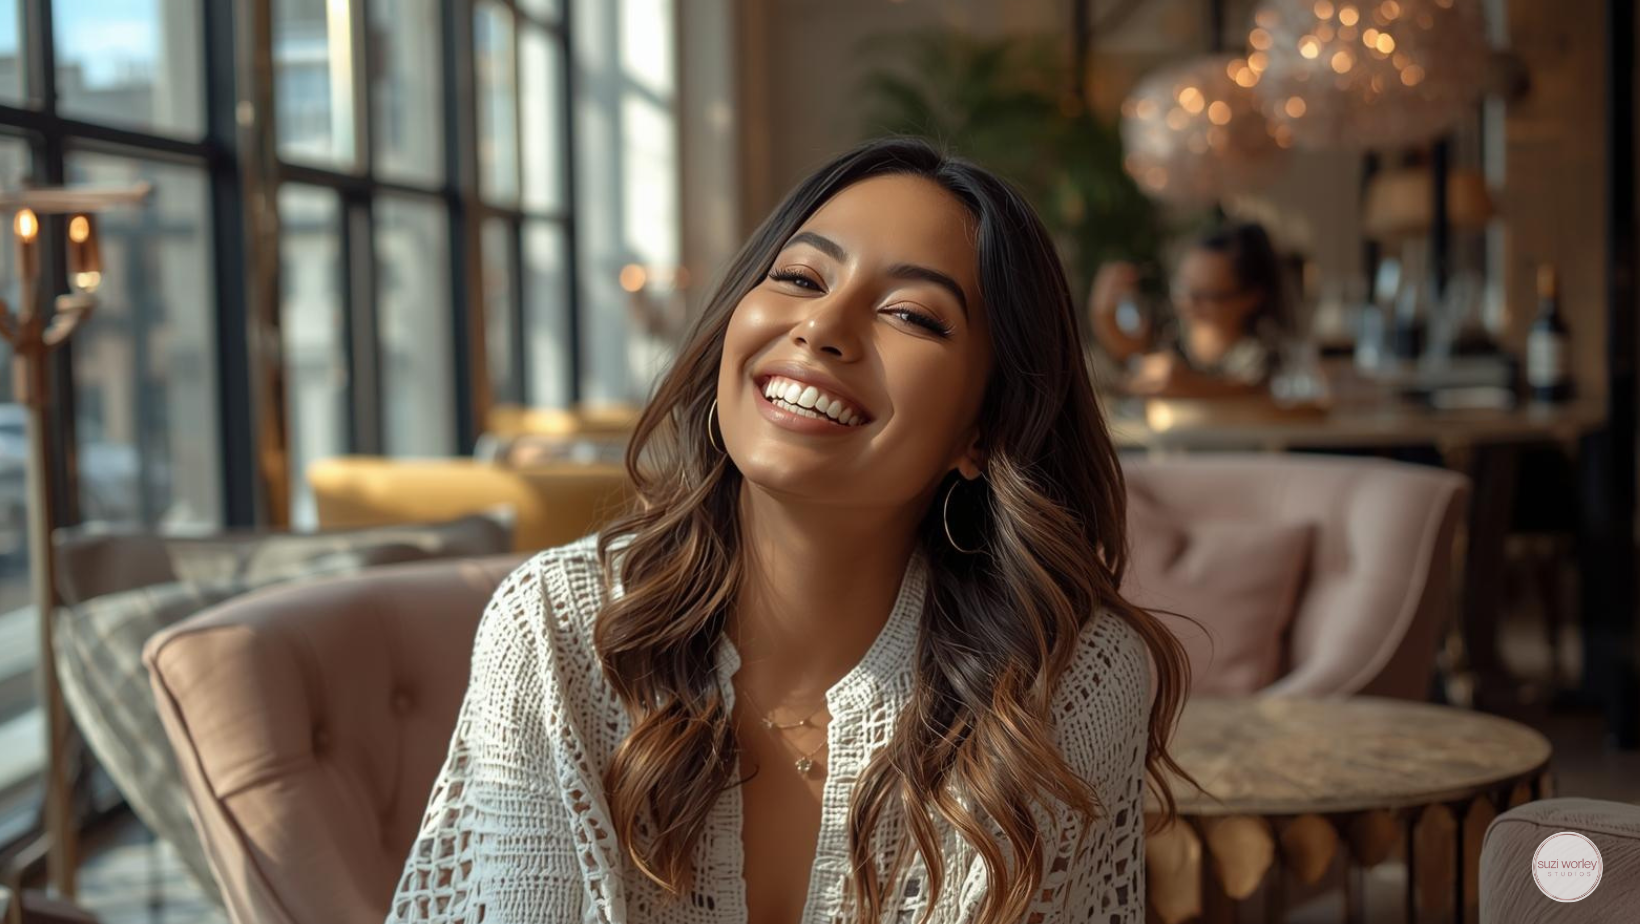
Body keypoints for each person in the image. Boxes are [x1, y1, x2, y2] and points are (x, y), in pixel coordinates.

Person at [384, 137, 1192, 924]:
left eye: (911, 314)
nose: (822, 326)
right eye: (800, 277)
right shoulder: (555, 631)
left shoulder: (1068, 681)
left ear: (982, 431)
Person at [1088, 221, 1288, 398]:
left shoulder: (1265, 349)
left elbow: (1256, 392)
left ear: (1250, 298)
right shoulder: (1172, 328)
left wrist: (1189, 385)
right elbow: (1131, 353)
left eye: (1207, 296)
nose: (1186, 303)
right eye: (1182, 288)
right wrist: (1103, 316)